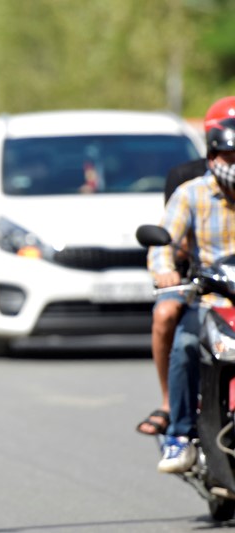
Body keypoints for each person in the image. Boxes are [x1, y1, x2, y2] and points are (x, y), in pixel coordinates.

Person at [149, 95, 235, 473]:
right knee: (184, 345)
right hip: (208, 297)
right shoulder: (191, 193)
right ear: (213, 156)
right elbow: (162, 243)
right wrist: (164, 271)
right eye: (228, 157)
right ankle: (179, 434)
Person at [136, 157, 209, 436]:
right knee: (166, 315)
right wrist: (167, 270)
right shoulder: (190, 185)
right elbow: (171, 241)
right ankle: (170, 402)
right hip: (195, 277)